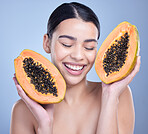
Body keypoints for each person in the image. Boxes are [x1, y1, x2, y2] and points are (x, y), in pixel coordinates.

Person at [10, 2, 141, 134]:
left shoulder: (119, 95)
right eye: (67, 44)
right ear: (47, 43)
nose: (78, 56)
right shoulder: (23, 111)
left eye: (89, 47)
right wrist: (45, 125)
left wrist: (110, 97)